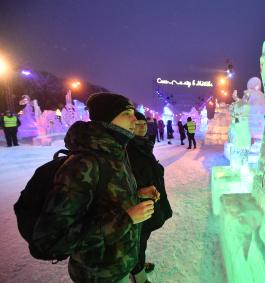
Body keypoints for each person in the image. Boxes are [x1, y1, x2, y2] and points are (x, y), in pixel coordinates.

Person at [32, 92, 156, 283]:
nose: (134, 119)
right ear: (107, 119)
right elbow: (51, 240)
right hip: (98, 274)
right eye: (126, 114)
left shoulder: (116, 151)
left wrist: (136, 194)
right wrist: (126, 218)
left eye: (133, 112)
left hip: (120, 265)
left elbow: (104, 199)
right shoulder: (83, 163)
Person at [127, 112, 172, 283]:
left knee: (142, 239)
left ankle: (137, 264)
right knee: (138, 241)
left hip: (148, 201)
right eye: (137, 124)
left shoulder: (142, 145)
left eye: (144, 123)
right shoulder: (128, 148)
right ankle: (138, 274)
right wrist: (140, 191)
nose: (142, 127)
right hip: (137, 205)